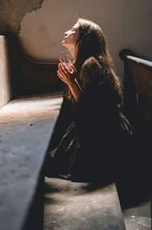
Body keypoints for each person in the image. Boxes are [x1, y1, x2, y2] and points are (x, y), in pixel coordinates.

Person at [46, 18, 132, 182]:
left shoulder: (90, 65)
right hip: (98, 125)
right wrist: (72, 81)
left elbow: (91, 111)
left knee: (54, 165)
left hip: (105, 132)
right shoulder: (85, 63)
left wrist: (71, 82)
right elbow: (87, 105)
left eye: (73, 30)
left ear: (83, 39)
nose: (67, 32)